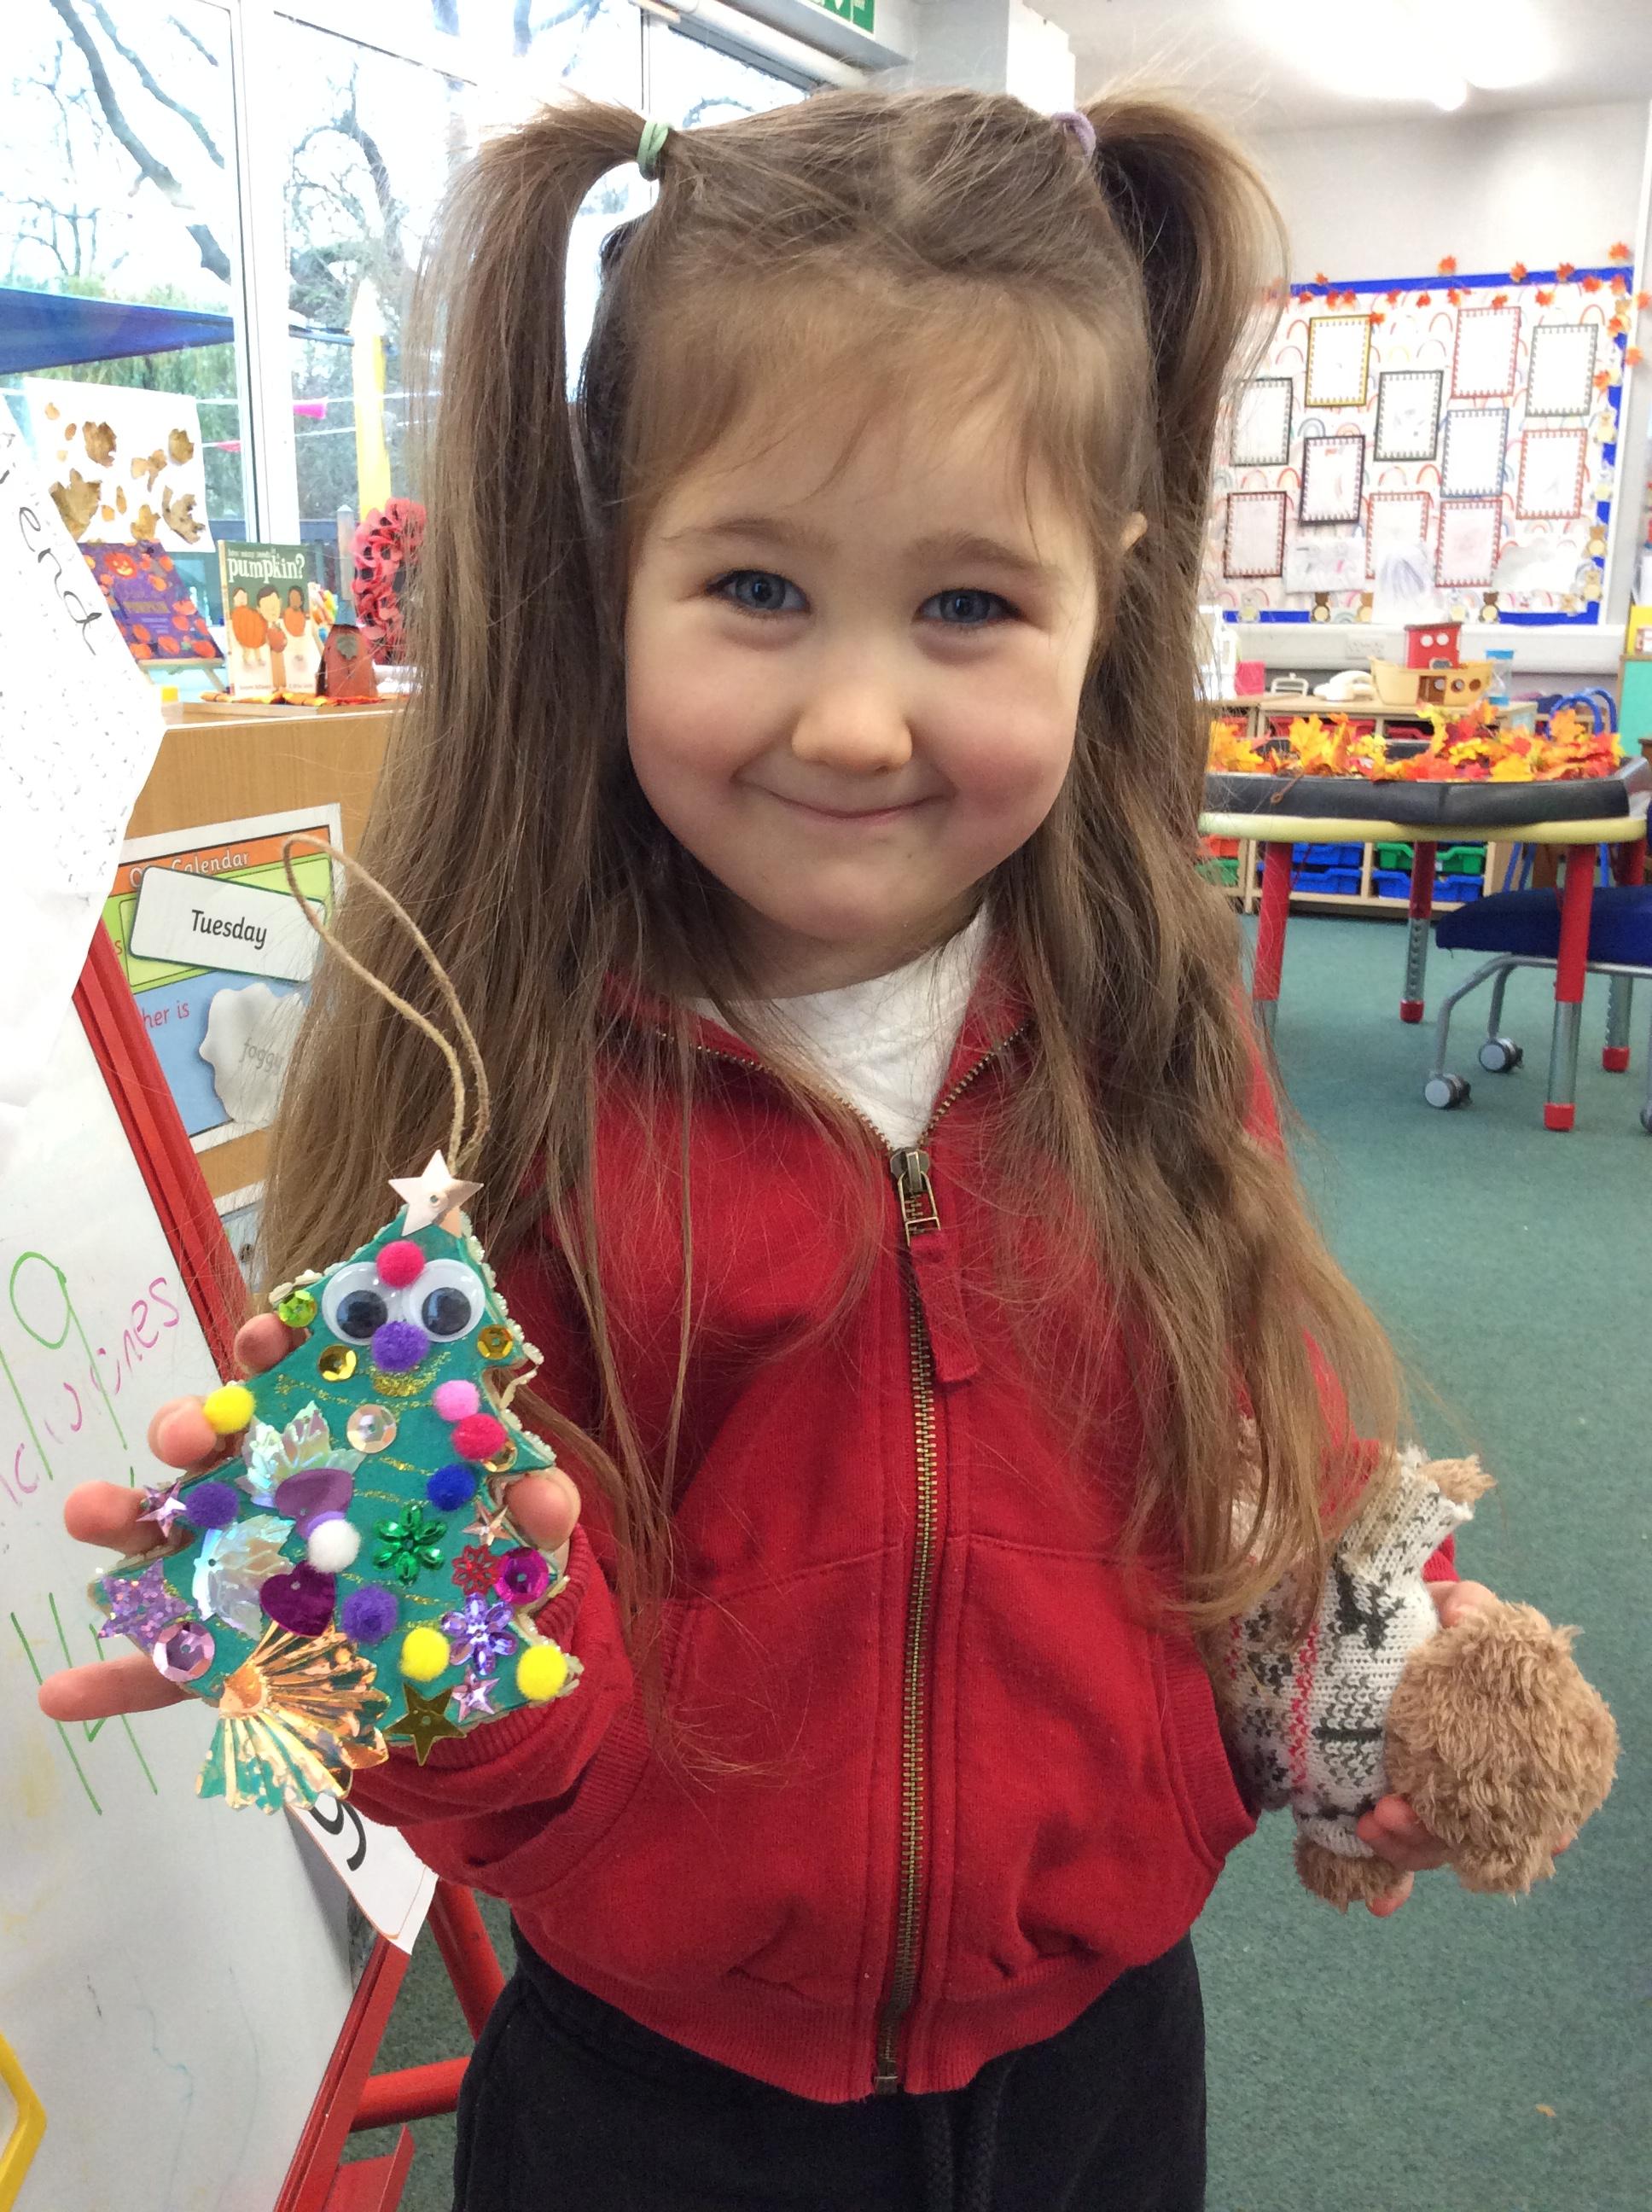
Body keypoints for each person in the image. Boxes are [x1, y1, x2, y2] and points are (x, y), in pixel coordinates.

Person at [41, 90, 1496, 2211]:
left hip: (1100, 2057)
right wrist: (406, 1633)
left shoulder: (1146, 1024)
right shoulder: (495, 1086)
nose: (852, 720)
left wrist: (1356, 1653)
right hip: (657, 2097)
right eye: (754, 586)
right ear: (604, 581)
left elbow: (1247, 1449)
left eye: (968, 605)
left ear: (1107, 598)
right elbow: (499, 1750)